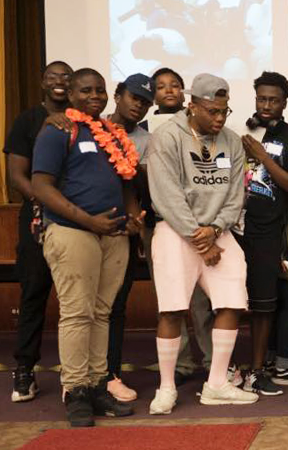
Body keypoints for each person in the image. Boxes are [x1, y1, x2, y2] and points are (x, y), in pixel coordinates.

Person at [32, 68, 141, 427]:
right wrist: (88, 220)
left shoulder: (112, 131)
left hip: (113, 235)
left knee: (102, 311)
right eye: (86, 90)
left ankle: (97, 385)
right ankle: (76, 390)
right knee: (77, 312)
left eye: (100, 89)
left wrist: (131, 218)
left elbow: (126, 183)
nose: (94, 95)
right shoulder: (58, 130)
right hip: (71, 230)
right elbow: (42, 187)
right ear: (72, 95)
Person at [147, 73, 258, 414]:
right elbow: (167, 195)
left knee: (233, 302)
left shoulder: (231, 141)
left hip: (218, 234)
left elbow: (235, 194)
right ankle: (166, 388)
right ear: (192, 105)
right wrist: (200, 237)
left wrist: (217, 229)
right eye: (212, 111)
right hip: (176, 232)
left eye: (224, 111)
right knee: (172, 309)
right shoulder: (166, 137)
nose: (220, 119)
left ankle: (216, 384)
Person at [237, 71, 288, 396]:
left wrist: (264, 157)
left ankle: (257, 371)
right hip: (232, 226)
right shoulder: (242, 130)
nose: (266, 105)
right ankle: (222, 369)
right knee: (227, 302)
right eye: (261, 98)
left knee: (264, 304)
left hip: (268, 230)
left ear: (284, 102)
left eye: (274, 100)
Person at [5, 60, 72, 403]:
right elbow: (15, 175)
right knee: (34, 294)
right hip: (37, 218)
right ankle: (24, 371)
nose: (59, 82)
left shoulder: (83, 119)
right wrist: (48, 200)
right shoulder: (27, 120)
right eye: (52, 76)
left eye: (66, 77)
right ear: (42, 82)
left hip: (77, 221)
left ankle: (75, 374)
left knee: (76, 301)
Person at [144, 67, 215, 384]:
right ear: (153, 93)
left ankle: (213, 360)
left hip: (200, 225)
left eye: (175, 85)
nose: (168, 90)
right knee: (171, 300)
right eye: (161, 86)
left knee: (203, 301)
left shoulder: (204, 129)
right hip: (160, 223)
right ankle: (182, 363)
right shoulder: (145, 130)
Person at [104, 73, 155, 402]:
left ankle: (110, 375)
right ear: (118, 94)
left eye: (146, 102)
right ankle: (78, 378)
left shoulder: (145, 141)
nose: (140, 105)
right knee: (82, 307)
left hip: (125, 228)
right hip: (84, 227)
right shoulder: (86, 127)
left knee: (116, 306)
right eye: (134, 97)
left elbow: (141, 187)